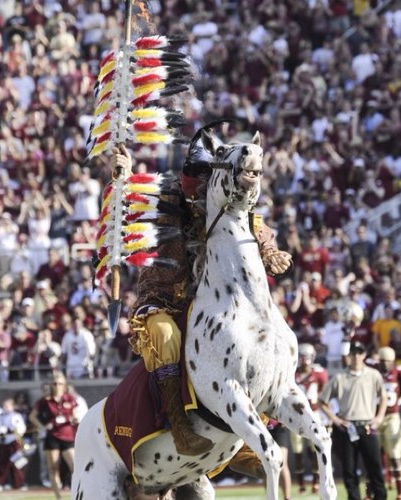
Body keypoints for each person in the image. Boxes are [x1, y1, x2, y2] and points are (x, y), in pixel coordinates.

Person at [111, 126, 293, 457]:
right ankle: (179, 427)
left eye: (205, 174)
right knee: (166, 338)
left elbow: (253, 224)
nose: (200, 182)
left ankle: (240, 434)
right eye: (195, 174)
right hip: (161, 301)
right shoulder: (166, 199)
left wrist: (271, 252)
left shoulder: (220, 201)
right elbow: (130, 202)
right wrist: (123, 176)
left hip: (204, 301)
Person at [319, 340, 388, 500]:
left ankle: (380, 497)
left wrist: (379, 418)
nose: (356, 356)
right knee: (349, 470)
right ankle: (354, 497)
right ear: (349, 355)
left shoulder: (373, 375)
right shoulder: (339, 377)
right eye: (353, 353)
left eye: (359, 352)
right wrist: (335, 419)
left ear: (364, 355)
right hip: (347, 427)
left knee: (375, 467)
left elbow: (383, 397)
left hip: (367, 426)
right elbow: (322, 401)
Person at [373, 347, 401, 500]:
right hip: (374, 418)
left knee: (395, 455)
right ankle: (371, 491)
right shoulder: (372, 373)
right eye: (382, 361)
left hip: (392, 416)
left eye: (388, 361)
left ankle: (400, 493)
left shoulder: (399, 374)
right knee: (373, 456)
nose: (385, 364)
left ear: (393, 361)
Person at [28, 371, 78, 500]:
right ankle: (58, 497)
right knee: (53, 468)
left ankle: (78, 493)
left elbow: (75, 414)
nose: (57, 386)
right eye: (55, 383)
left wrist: (75, 419)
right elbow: (32, 417)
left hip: (67, 435)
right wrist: (42, 426)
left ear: (64, 384)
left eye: (60, 383)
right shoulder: (45, 400)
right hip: (52, 437)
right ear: (51, 385)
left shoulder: (70, 398)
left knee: (75, 467)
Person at [291, 343, 329, 494]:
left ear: (312, 357)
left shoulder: (319, 373)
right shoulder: (292, 373)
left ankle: (315, 481)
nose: (304, 360)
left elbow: (324, 396)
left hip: (314, 414)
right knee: (298, 452)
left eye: (307, 356)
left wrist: (327, 418)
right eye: (302, 356)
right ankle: (301, 483)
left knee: (315, 450)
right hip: (296, 416)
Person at [0, 398, 28, 493]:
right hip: (3, 443)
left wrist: (9, 430)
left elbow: (21, 429)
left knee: (12, 463)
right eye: (4, 405)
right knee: (5, 463)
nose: (6, 407)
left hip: (13, 443)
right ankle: (15, 483)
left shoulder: (16, 416)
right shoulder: (0, 416)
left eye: (8, 405)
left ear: (12, 406)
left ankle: (1, 483)